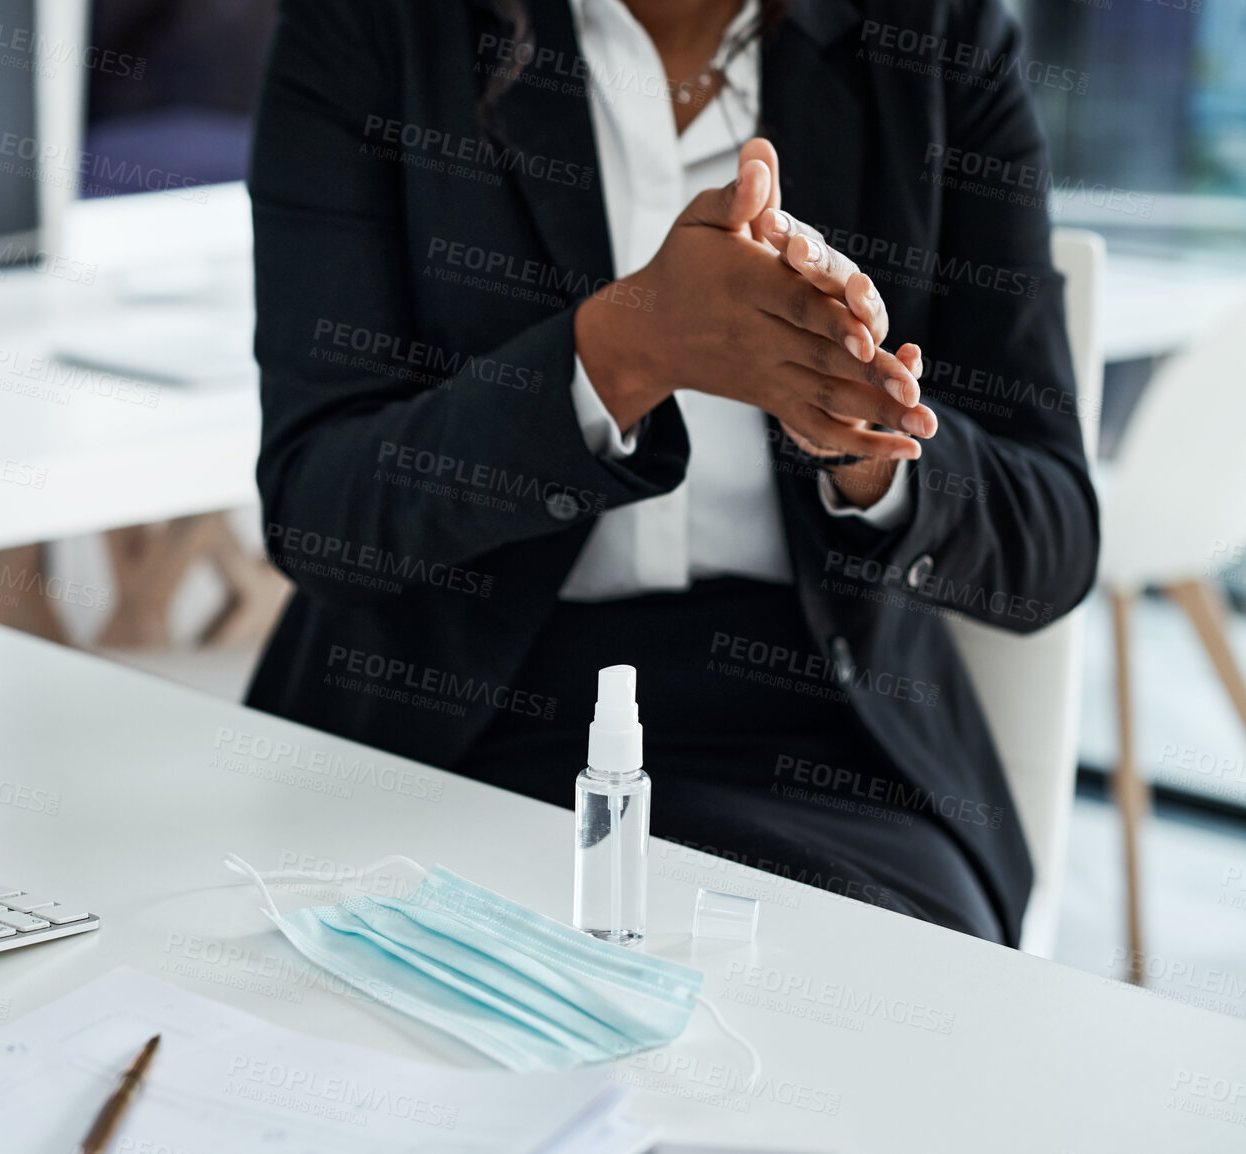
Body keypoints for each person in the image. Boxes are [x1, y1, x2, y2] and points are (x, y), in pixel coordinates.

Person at [242, 0, 1099, 946]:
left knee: (833, 1045)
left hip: (830, 753)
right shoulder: (369, 28)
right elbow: (317, 509)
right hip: (449, 732)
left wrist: (872, 447)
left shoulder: (936, 33)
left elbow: (1049, 544)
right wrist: (619, 354)